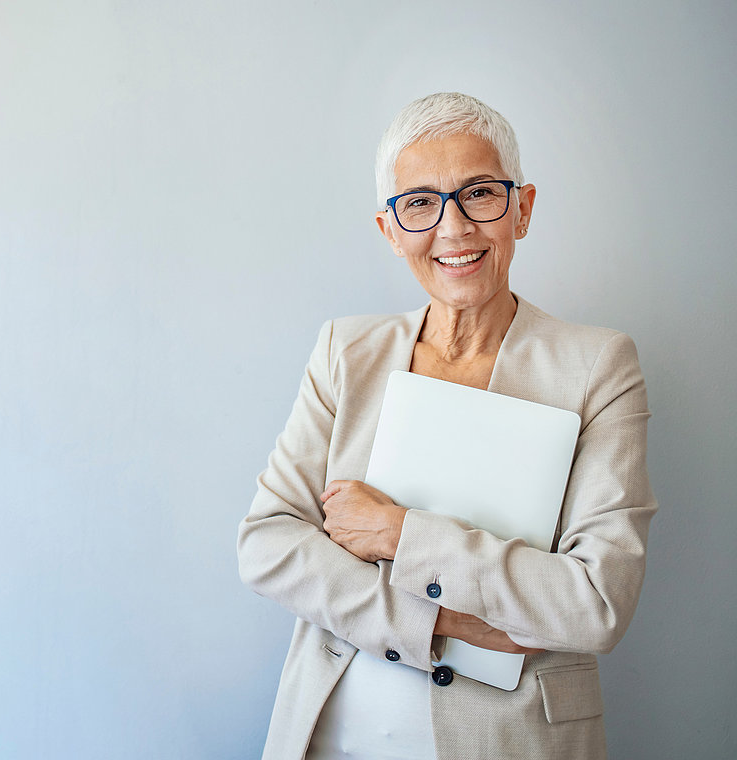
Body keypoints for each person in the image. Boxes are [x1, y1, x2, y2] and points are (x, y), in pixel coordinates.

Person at [237, 92, 656, 760]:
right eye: (421, 204)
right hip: (335, 733)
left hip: (513, 740)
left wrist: (398, 534)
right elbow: (268, 544)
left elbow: (595, 601)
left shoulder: (598, 366)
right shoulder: (347, 352)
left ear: (522, 210)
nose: (454, 229)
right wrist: (444, 621)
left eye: (480, 194)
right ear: (391, 230)